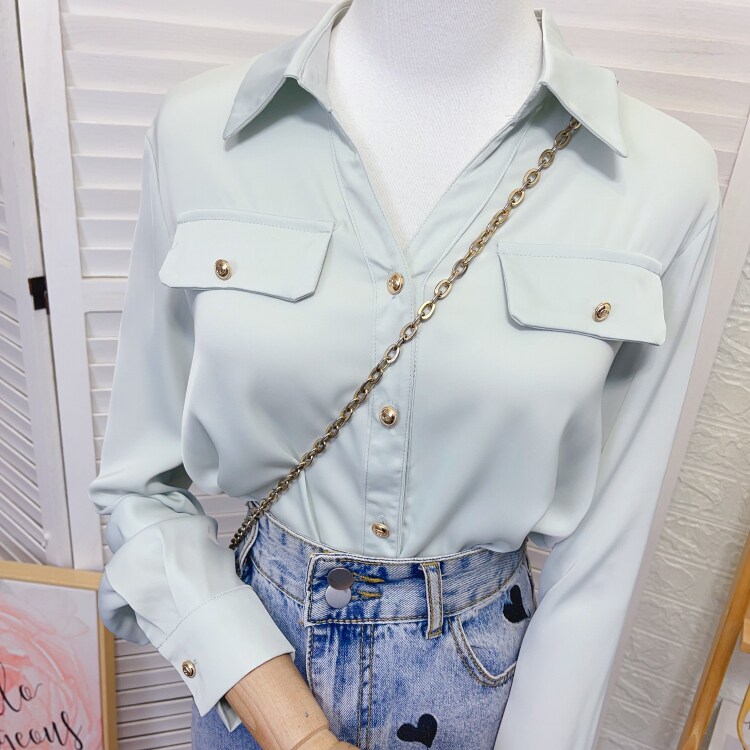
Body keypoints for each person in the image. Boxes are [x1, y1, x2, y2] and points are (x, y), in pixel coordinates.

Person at [88, 0, 723, 748]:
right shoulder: (199, 132)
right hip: (255, 670)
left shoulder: (663, 176)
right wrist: (286, 722)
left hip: (488, 687)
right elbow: (138, 486)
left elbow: (606, 554)